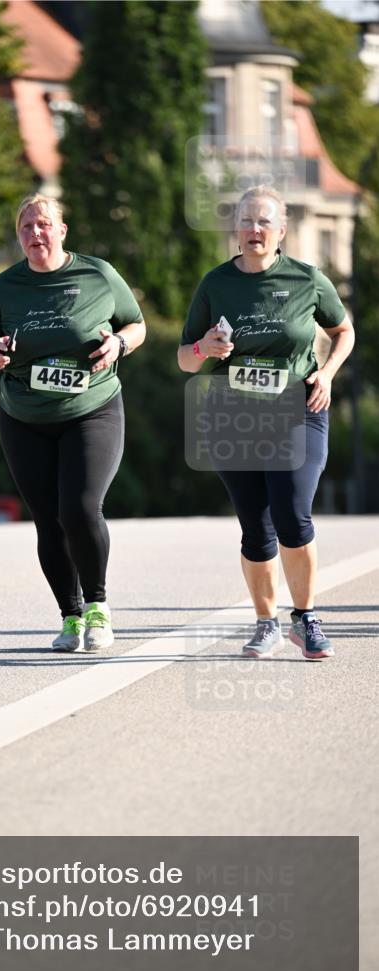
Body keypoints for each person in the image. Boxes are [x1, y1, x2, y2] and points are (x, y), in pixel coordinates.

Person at [178, 185, 354, 660]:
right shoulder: (215, 284)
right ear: (235, 229)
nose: (254, 229)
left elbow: (343, 330)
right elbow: (185, 359)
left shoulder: (306, 279)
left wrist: (328, 372)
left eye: (264, 222)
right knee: (256, 527)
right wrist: (204, 348)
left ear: (281, 231)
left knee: (292, 513)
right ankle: (265, 624)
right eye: (246, 221)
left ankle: (307, 618)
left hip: (298, 409)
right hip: (233, 417)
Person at [0, 194, 146, 652]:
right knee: (48, 520)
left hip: (92, 409)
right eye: (26, 227)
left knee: (80, 508)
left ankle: (98, 607)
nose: (35, 233)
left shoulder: (97, 274)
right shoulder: (6, 286)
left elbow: (136, 325)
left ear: (62, 231)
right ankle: (70, 616)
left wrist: (119, 345)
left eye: (44, 224)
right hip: (24, 418)